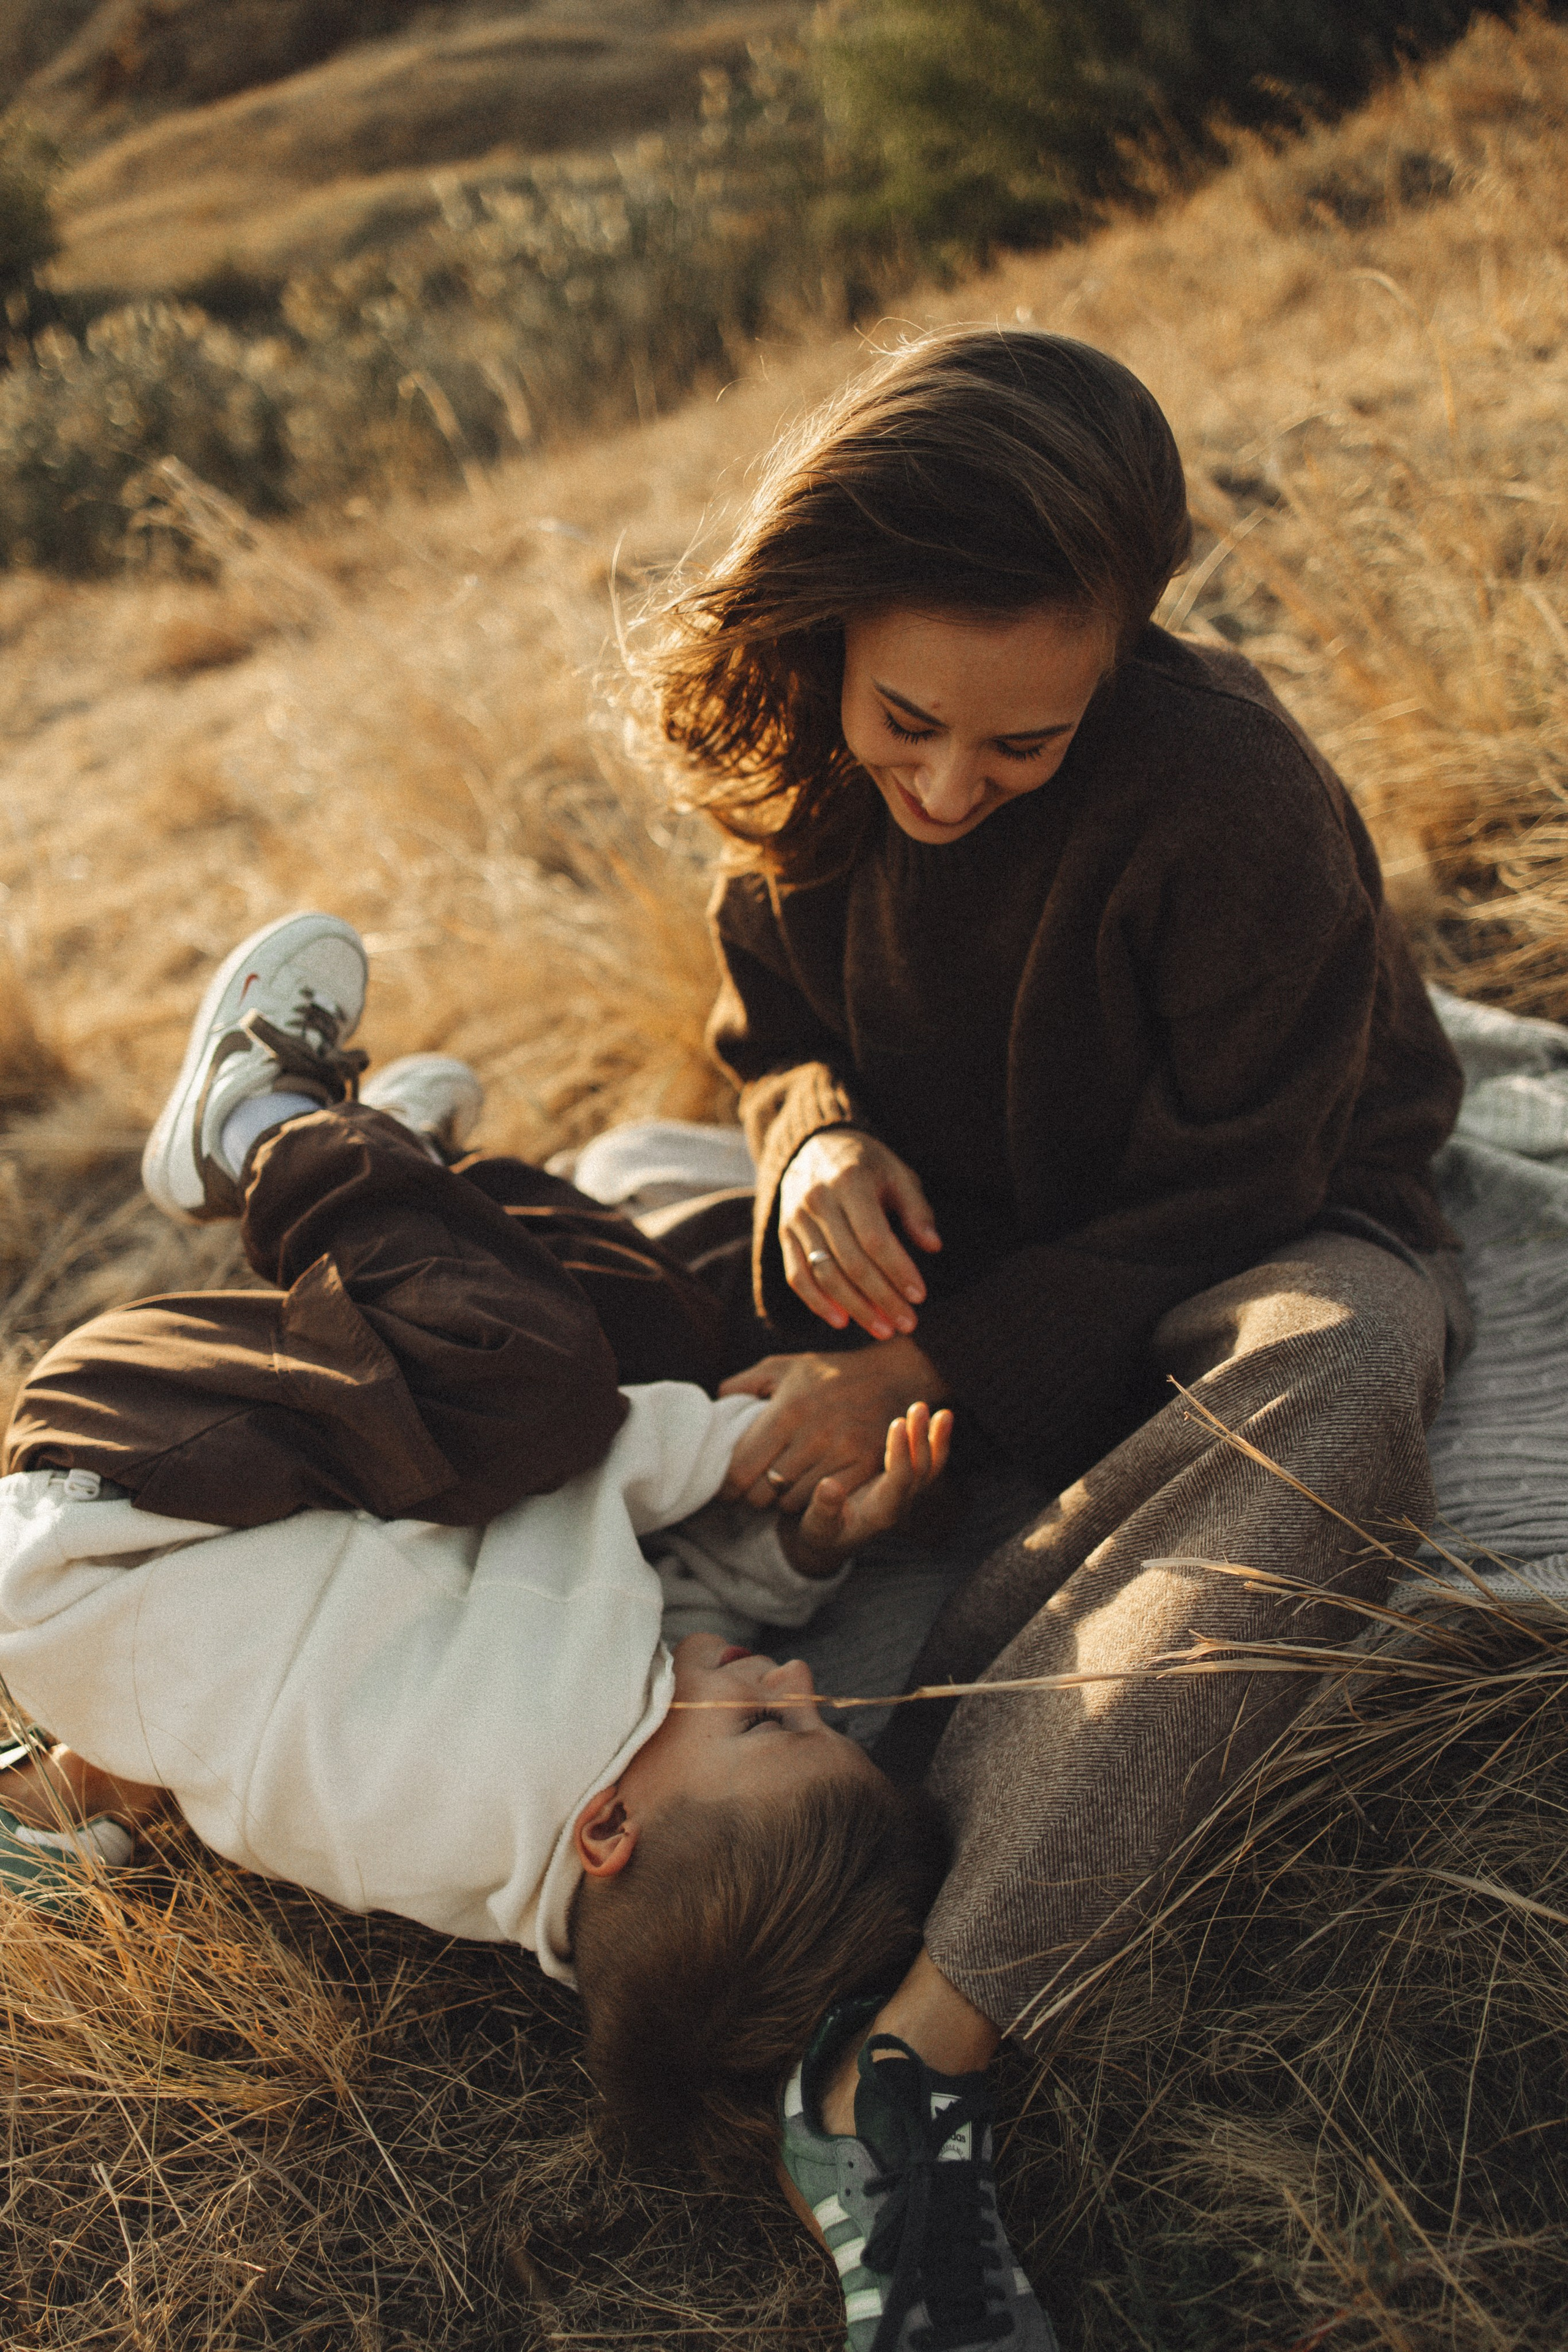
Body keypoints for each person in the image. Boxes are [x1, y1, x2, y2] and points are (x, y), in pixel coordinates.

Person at [638, 326, 1472, 2348]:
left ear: (1120, 659)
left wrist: (909, 1375)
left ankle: (905, 2062)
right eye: (910, 720)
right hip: (949, 1222)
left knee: (1356, 1360)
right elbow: (773, 1017)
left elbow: (1246, 1178)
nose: (943, 783)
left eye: (1023, 746)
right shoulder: (812, 755)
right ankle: (106, 1768)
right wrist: (813, 1134)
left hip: (1226, 1225)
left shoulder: (1228, 794)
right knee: (583, 1291)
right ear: (827, 643)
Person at [0, 911, 966, 2218]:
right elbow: (676, 1602)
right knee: (635, 1335)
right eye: (812, 1706)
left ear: (611, 1828)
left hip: (130, 1490)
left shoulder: (532, 1720)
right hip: (222, 1532)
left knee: (543, 1392)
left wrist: (770, 1441)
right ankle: (411, 1174)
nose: (796, 1679)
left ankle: (264, 1121)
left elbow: (590, 1481)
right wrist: (803, 1542)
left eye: (775, 1726)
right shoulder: (520, 1858)